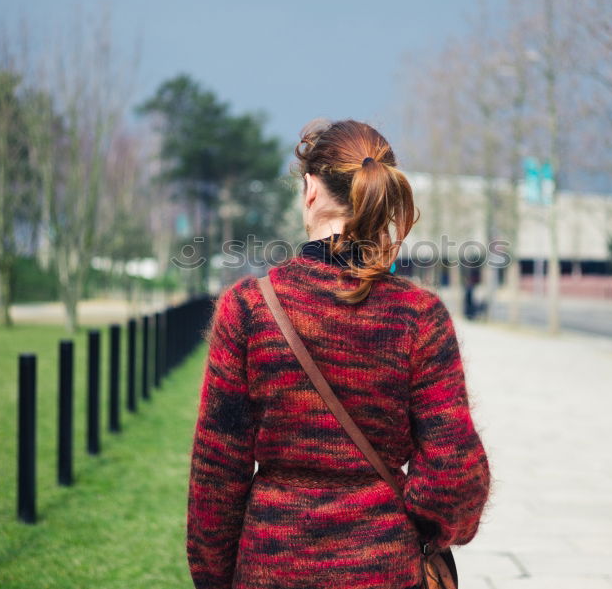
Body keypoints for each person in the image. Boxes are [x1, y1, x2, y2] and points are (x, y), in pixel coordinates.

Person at [186, 119, 491, 589]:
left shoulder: (247, 309)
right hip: (385, 570)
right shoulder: (419, 316)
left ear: (310, 190)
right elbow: (455, 477)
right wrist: (412, 528)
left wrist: (213, 579)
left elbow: (216, 479)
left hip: (271, 567)